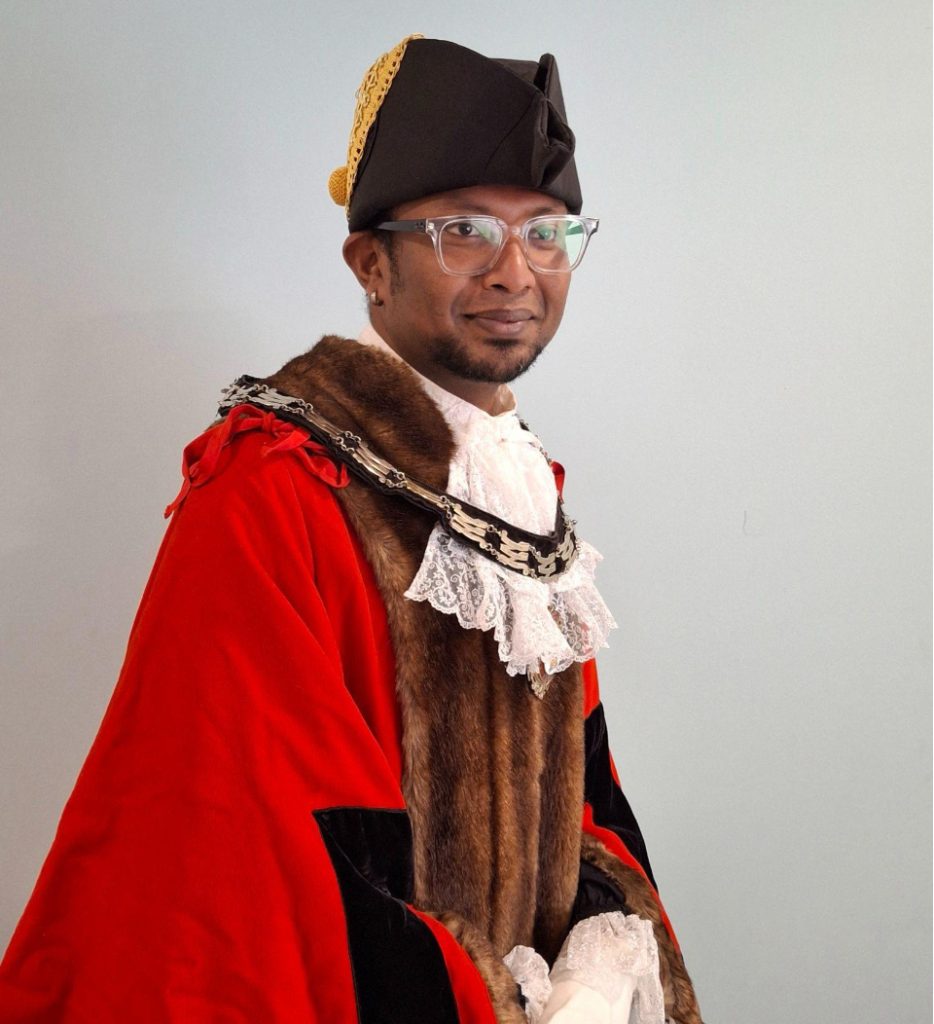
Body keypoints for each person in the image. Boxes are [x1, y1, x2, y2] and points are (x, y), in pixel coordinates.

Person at [0, 35, 702, 1024]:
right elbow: (257, 876)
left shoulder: (522, 492)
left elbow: (581, 796)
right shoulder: (272, 491)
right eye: (465, 230)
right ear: (370, 261)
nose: (517, 271)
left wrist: (595, 955)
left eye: (547, 232)